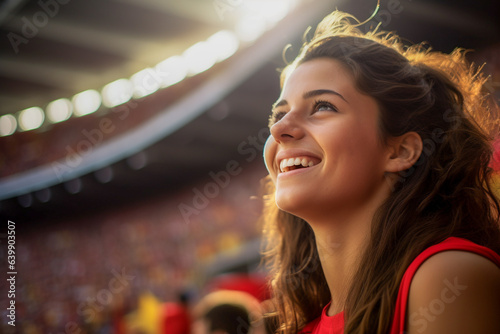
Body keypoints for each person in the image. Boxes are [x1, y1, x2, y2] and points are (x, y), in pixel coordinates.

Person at [261, 10, 500, 334]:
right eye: (280, 113)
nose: (280, 129)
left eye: (322, 106)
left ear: (400, 151)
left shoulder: (446, 277)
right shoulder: (307, 326)